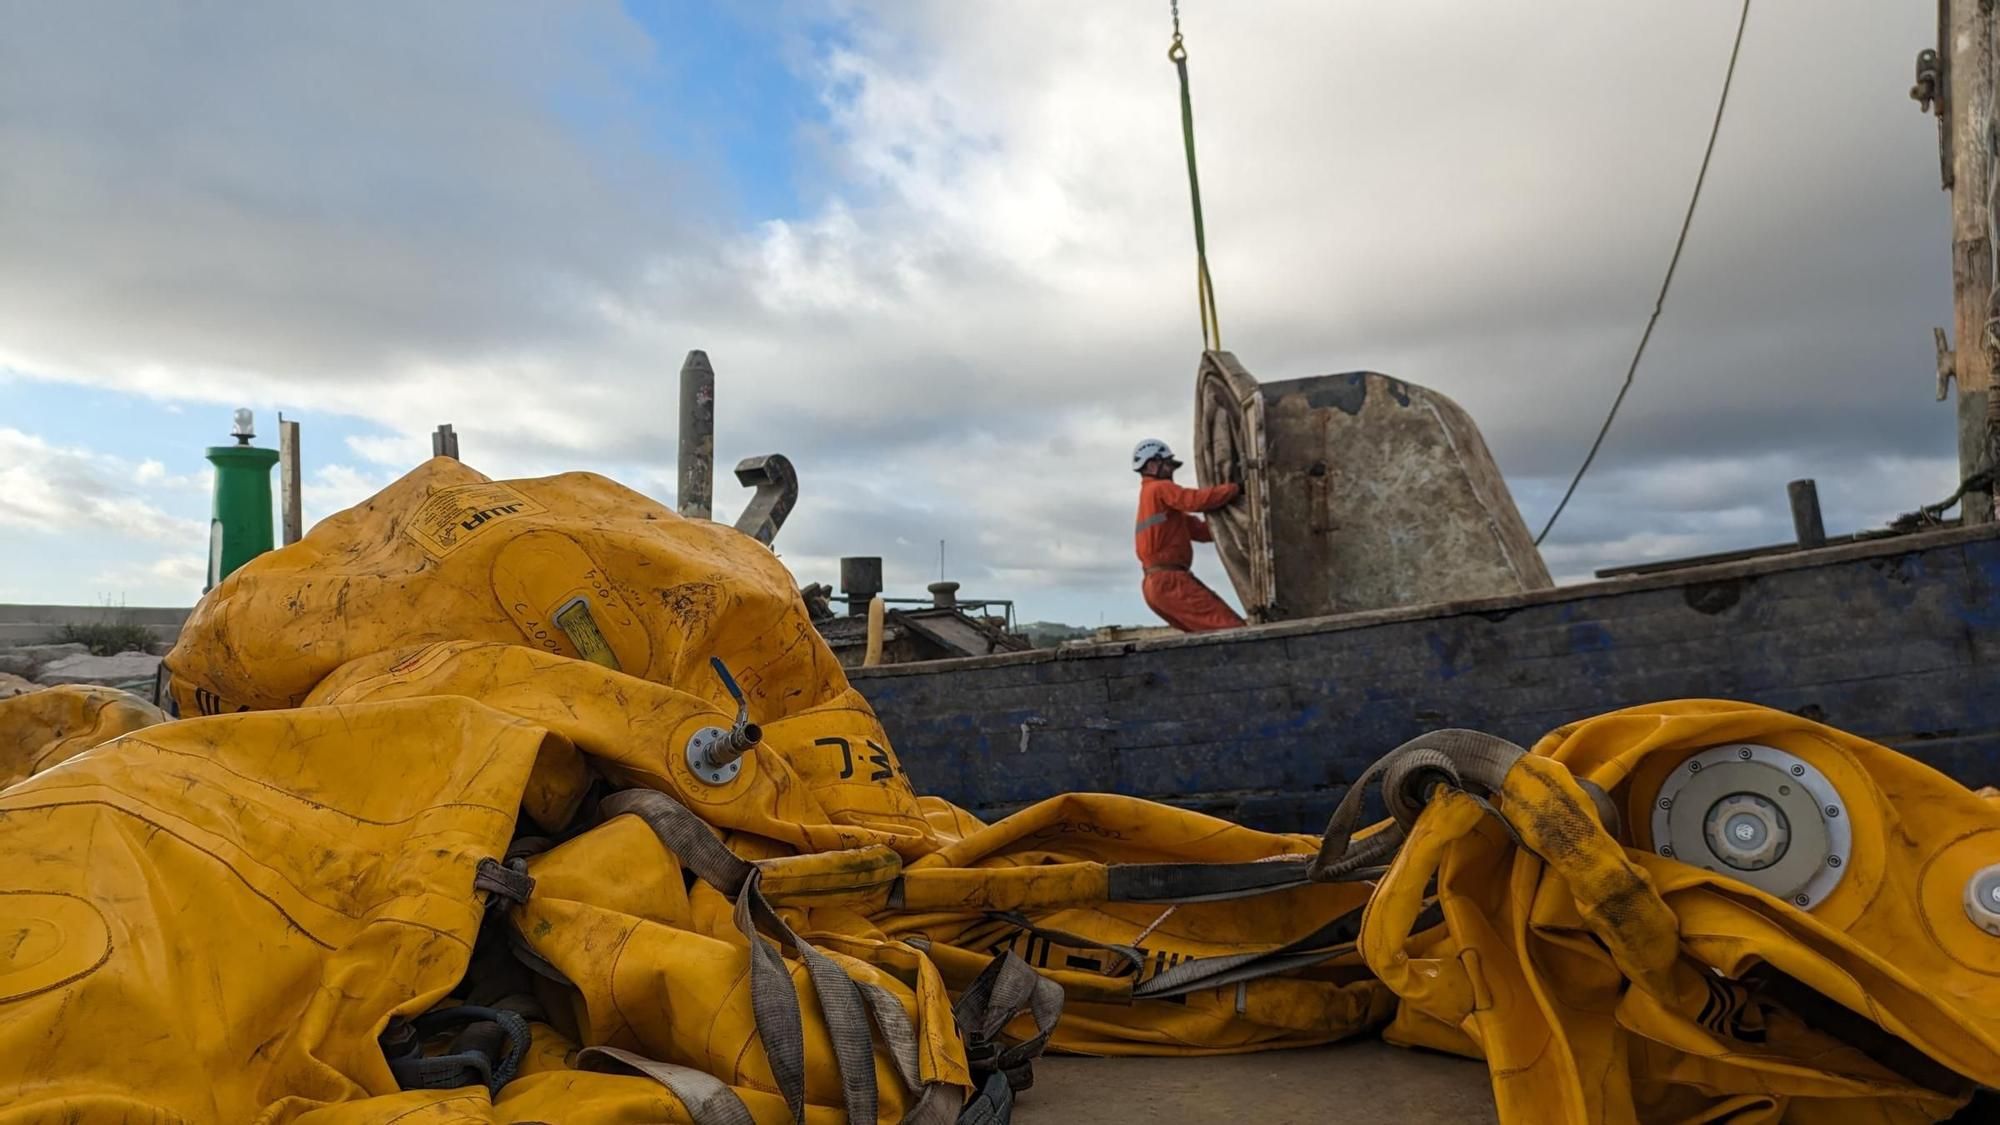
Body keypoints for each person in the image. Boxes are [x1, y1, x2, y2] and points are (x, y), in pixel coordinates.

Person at [1131, 439, 1245, 632]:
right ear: (1152, 464)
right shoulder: (1160, 488)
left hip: (1154, 587)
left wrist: (1237, 526)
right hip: (1170, 581)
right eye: (1168, 465)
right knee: (1232, 629)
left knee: (1206, 634)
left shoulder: (1155, 502)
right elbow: (1194, 501)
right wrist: (1234, 489)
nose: (1171, 471)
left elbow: (1201, 531)